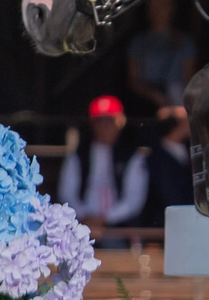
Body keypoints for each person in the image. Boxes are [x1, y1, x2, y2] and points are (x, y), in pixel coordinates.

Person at [57, 94, 147, 232]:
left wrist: (106, 219)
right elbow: (67, 193)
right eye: (99, 121)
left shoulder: (132, 156)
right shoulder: (78, 155)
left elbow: (134, 200)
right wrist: (84, 216)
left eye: (110, 120)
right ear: (92, 124)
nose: (105, 126)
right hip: (80, 223)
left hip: (120, 228)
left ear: (121, 121)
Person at [126, 0, 198, 111]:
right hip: (146, 103)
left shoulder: (185, 42)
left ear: (172, 8)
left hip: (176, 99)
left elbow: (188, 77)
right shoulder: (138, 42)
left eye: (164, 5)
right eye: (154, 6)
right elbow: (133, 80)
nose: (159, 11)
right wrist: (155, 95)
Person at [143, 104, 197, 223]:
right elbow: (167, 193)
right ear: (176, 126)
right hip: (167, 222)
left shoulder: (190, 150)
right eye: (187, 121)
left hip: (190, 216)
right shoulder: (156, 158)